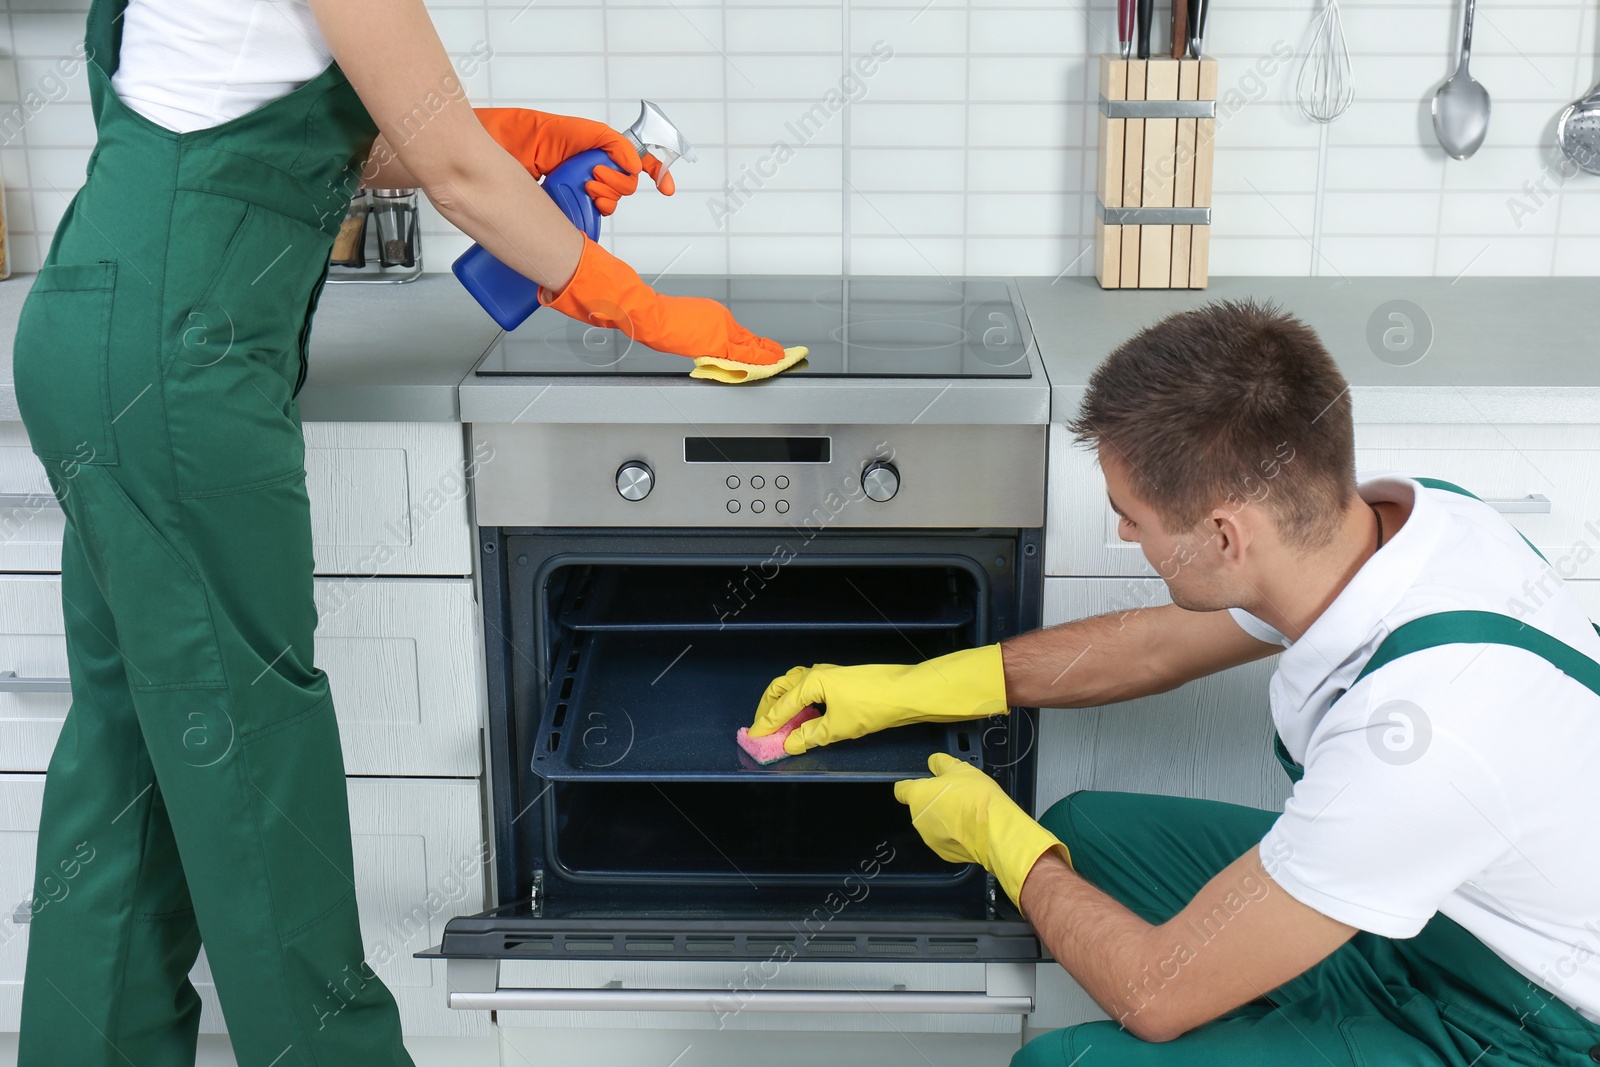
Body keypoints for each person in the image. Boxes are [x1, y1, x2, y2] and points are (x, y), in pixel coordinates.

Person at [12, 0, 795, 1062]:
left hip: (107, 327)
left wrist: (518, 136)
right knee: (250, 760)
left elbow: (325, 127)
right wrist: (640, 306)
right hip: (169, 348)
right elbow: (451, 170)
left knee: (133, 748)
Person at [748, 301, 1600, 1066]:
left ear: (1227, 535)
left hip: (1522, 1021)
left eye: (1133, 514)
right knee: (1083, 831)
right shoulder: (1395, 526)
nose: (1121, 529)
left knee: (1065, 1062)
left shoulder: (1418, 738)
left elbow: (1155, 998)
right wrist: (912, 687)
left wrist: (1001, 839)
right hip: (1434, 903)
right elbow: (1154, 648)